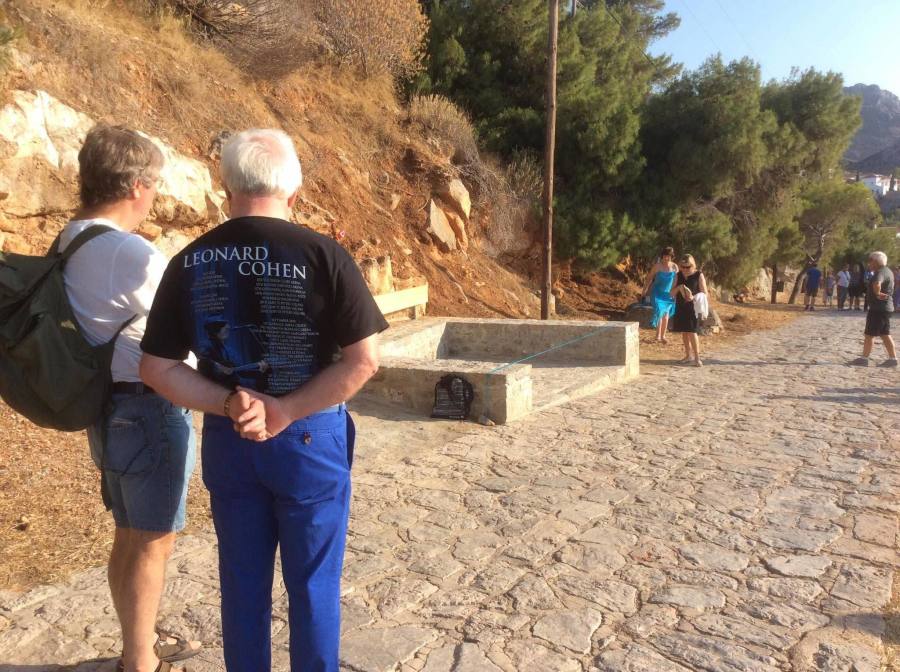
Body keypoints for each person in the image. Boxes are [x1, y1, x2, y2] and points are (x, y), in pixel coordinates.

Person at [140, 129, 389, 672]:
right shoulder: (325, 255)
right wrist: (286, 411)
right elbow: (363, 360)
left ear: (226, 188)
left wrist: (232, 404)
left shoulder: (189, 261)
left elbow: (155, 367)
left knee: (242, 585)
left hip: (232, 439)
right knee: (314, 586)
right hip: (308, 438)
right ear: (293, 193)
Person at [59, 125, 211, 672]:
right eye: (155, 184)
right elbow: (189, 325)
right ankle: (140, 661)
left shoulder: (71, 238)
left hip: (109, 409)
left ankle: (135, 645)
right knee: (152, 543)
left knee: (127, 535)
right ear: (136, 186)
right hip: (149, 410)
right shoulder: (131, 254)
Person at [849, 251, 896, 367]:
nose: (868, 264)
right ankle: (893, 359)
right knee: (885, 334)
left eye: (870, 261)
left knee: (869, 334)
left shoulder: (879, 272)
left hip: (878, 309)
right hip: (885, 308)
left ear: (875, 261)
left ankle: (864, 359)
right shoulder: (888, 271)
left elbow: (877, 283)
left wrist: (877, 292)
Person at [669, 254, 708, 367]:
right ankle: (687, 355)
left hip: (693, 307)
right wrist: (679, 288)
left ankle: (697, 357)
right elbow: (671, 293)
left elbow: (705, 293)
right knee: (684, 332)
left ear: (693, 265)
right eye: (683, 266)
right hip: (681, 306)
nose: (685, 269)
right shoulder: (678, 275)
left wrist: (693, 297)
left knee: (692, 331)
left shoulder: (698, 275)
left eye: (688, 266)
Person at [640, 246, 677, 343]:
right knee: (660, 312)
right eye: (665, 256)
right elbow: (649, 278)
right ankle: (658, 336)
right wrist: (644, 290)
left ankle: (663, 336)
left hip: (668, 294)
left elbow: (677, 281)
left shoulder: (674, 267)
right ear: (662, 256)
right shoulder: (657, 266)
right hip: (657, 293)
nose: (666, 258)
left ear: (671, 257)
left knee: (666, 315)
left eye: (668, 256)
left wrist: (675, 293)